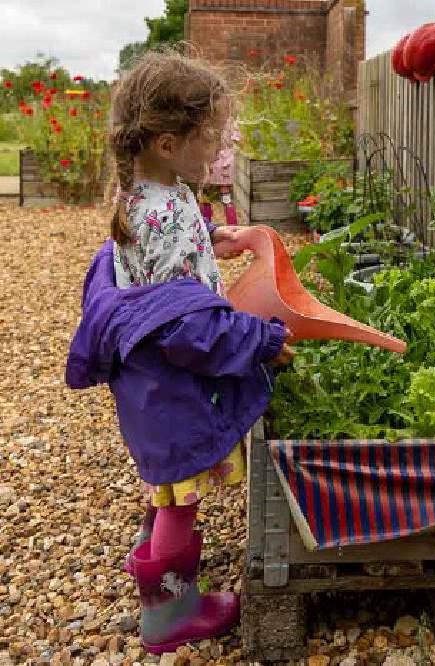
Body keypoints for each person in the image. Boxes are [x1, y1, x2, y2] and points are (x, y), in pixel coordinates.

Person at [65, 51, 294, 654]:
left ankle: (149, 558)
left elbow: (168, 254)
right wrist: (263, 342)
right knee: (181, 497)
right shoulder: (164, 209)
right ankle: (168, 609)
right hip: (174, 386)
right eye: (210, 138)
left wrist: (215, 238)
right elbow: (187, 332)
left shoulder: (149, 193)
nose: (219, 150)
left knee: (167, 488)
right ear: (168, 143)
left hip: (148, 388)